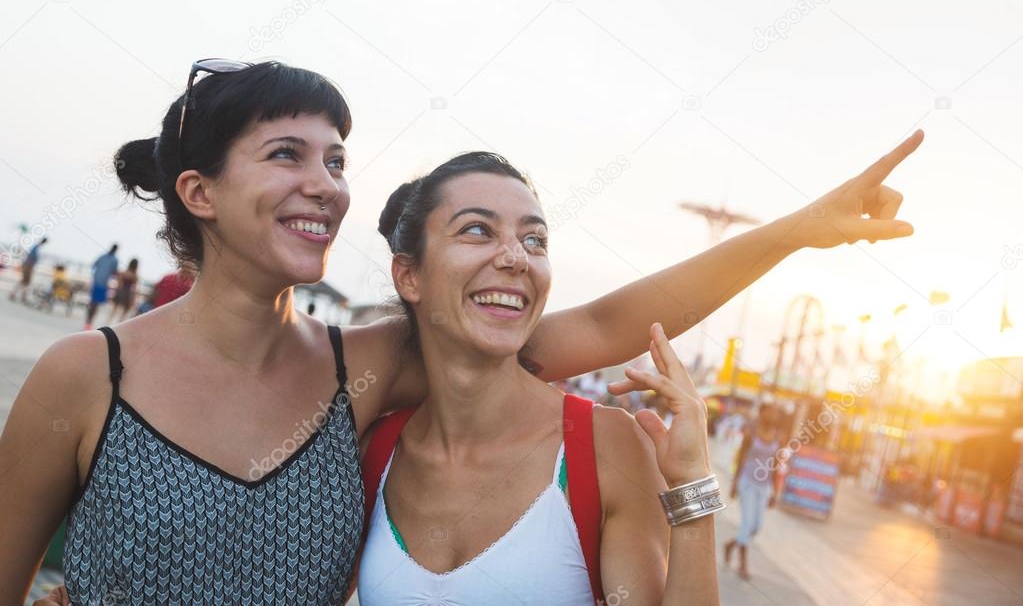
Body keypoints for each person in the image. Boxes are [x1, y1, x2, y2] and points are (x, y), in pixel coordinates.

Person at [10, 58, 922, 604]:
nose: (325, 184)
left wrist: (798, 230)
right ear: (198, 193)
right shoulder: (88, 375)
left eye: (334, 160)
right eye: (285, 155)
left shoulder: (360, 373)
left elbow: (609, 322)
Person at [356, 155, 720, 604]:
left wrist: (693, 490)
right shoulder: (375, 453)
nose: (516, 257)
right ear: (409, 276)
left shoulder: (602, 446)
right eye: (477, 229)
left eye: (535, 240)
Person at [723, 403, 784, 580]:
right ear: (762, 413)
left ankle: (730, 545)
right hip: (747, 481)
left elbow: (776, 464)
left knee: (756, 526)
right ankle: (743, 565)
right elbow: (741, 457)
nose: (773, 415)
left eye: (775, 413)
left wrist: (775, 492)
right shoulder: (751, 432)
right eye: (770, 412)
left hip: (764, 486)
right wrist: (734, 483)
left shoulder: (778, 437)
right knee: (747, 523)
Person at [84, 244, 118, 329]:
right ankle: (88, 321)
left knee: (96, 304)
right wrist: (94, 276)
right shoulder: (103, 257)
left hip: (103, 285)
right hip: (96, 283)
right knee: (93, 303)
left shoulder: (115, 260)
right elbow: (94, 265)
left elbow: (114, 273)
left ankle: (90, 321)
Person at [8, 236, 47, 303]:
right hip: (28, 266)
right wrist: (28, 266)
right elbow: (30, 258)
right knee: (25, 282)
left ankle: (17, 295)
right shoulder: (36, 248)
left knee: (24, 282)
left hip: (28, 266)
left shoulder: (36, 247)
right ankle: (19, 295)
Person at [106, 258, 139, 322]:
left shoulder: (124, 273)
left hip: (121, 291)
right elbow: (134, 289)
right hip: (128, 293)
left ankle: (108, 323)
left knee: (113, 310)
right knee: (124, 312)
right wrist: (133, 299)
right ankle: (119, 324)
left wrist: (116, 292)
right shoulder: (135, 276)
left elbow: (119, 284)